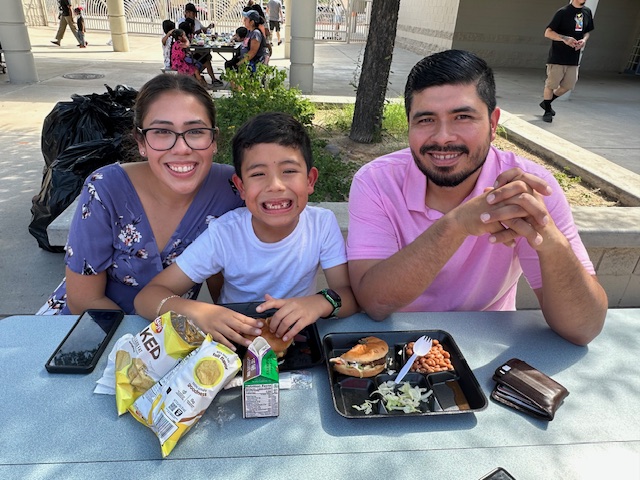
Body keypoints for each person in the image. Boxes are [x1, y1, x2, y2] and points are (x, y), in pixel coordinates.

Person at [346, 49, 607, 346]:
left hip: (487, 341)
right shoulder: (377, 182)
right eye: (426, 120)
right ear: (409, 124)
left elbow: (584, 328)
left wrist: (549, 239)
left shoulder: (529, 188)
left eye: (462, 117)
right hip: (396, 343)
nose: (443, 137)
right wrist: (457, 224)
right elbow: (375, 303)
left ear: (493, 124)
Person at [135, 112, 358, 350]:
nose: (275, 185)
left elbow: (348, 296)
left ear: (310, 180)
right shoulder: (224, 233)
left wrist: (318, 303)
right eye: (258, 174)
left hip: (298, 342)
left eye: (289, 171)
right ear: (241, 186)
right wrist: (199, 311)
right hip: (231, 345)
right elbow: (147, 297)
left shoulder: (321, 224)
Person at [37, 74, 245, 316]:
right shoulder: (105, 190)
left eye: (196, 131)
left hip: (175, 336)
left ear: (214, 140)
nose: (181, 148)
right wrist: (147, 347)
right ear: (141, 142)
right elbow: (84, 300)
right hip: (89, 326)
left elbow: (226, 281)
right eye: (162, 132)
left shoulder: (231, 189)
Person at [540, 0, 594, 123]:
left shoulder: (587, 12)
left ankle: (546, 102)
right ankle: (547, 110)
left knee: (568, 85)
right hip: (558, 57)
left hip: (573, 58)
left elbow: (586, 32)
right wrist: (564, 38)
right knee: (551, 85)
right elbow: (548, 33)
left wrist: (584, 40)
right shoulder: (562, 12)